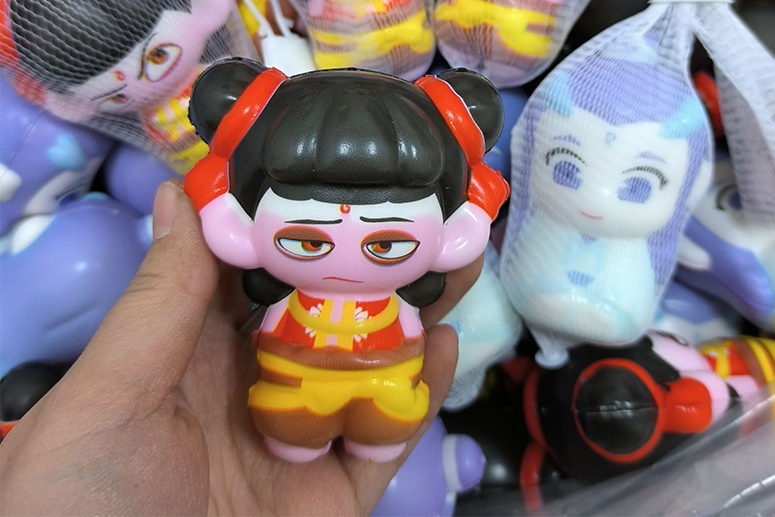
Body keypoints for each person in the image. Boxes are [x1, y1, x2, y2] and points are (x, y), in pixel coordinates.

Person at [0, 181, 471, 516]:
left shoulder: (399, 298)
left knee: (387, 420)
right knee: (288, 421)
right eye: (310, 241)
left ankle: (370, 435)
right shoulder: (284, 295)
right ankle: (300, 439)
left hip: (384, 383)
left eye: (384, 244)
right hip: (296, 388)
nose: (345, 257)